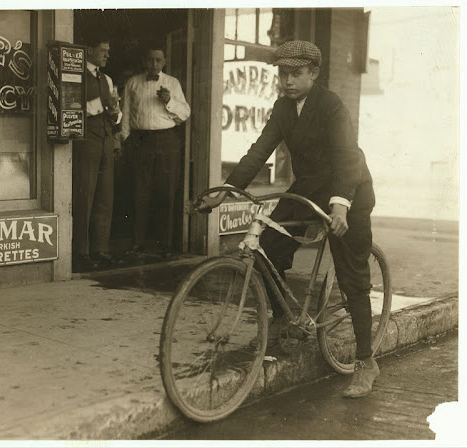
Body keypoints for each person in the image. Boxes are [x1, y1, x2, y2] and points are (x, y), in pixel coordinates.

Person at [199, 40, 378, 399]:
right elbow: (259, 149)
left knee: (351, 274)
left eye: (296, 74)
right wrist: (227, 189)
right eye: (283, 74)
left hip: (349, 190)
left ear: (314, 73)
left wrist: (340, 205)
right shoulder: (283, 108)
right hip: (308, 188)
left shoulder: (332, 106)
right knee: (268, 248)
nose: (288, 81)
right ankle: (284, 321)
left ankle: (365, 361)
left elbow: (347, 157)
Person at [120, 42, 191, 258]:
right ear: (144, 61)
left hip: (166, 140)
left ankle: (165, 244)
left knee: (166, 192)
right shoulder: (133, 83)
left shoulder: (172, 83)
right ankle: (138, 242)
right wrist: (126, 141)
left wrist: (169, 102)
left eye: (158, 60)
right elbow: (126, 115)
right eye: (150, 59)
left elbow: (185, 114)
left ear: (164, 62)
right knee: (139, 192)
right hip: (140, 140)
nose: (154, 64)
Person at [72, 33, 122, 271]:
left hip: (105, 139)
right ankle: (80, 252)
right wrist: (104, 105)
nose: (107, 55)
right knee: (85, 195)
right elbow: (73, 107)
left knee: (105, 196)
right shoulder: (75, 75)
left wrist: (114, 112)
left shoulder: (108, 79)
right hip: (86, 141)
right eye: (103, 50)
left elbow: (116, 113)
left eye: (108, 51)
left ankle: (100, 249)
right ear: (89, 50)